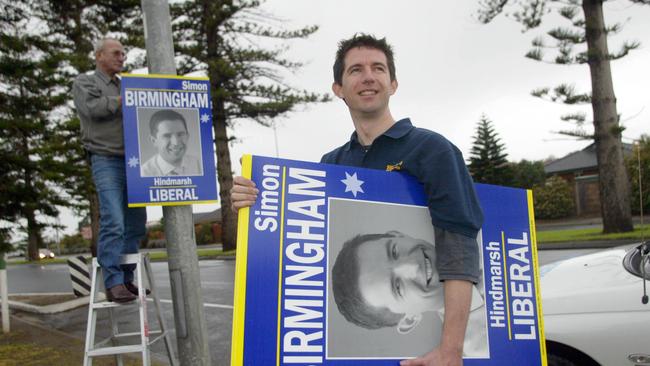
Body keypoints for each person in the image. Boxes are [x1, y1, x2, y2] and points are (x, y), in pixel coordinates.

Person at [230, 34, 484, 366]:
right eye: (355, 70)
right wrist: (255, 202)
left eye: (378, 68)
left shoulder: (432, 150)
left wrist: (452, 350)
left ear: (392, 83)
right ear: (338, 89)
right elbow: (300, 252)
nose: (368, 77)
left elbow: (458, 244)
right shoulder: (331, 165)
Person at [331, 231, 487, 357]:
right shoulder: (482, 352)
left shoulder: (472, 222)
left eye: (394, 251)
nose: (412, 264)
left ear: (397, 234)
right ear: (409, 320)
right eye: (397, 287)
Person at [73, 37, 147, 303]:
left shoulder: (126, 85)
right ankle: (113, 282)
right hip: (105, 159)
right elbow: (92, 109)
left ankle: (127, 280)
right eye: (116, 53)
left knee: (136, 224)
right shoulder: (85, 83)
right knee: (114, 220)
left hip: (135, 162)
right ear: (99, 55)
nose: (122, 57)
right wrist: (125, 99)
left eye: (124, 53)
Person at [141, 109, 202, 177]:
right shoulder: (144, 173)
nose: (176, 143)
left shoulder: (198, 164)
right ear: (154, 141)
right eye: (167, 136)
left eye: (180, 134)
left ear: (187, 136)